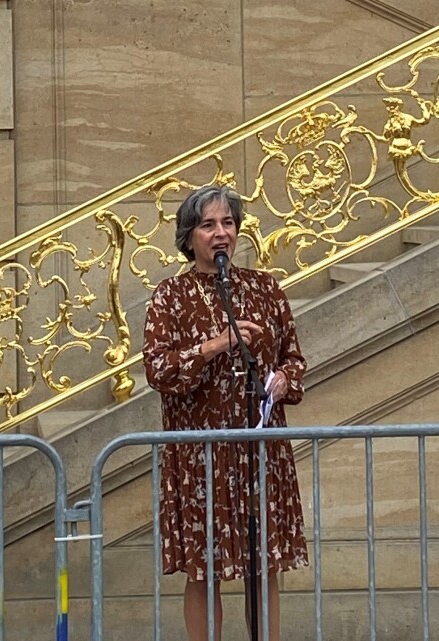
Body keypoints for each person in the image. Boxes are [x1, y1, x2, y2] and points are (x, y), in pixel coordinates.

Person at [142, 185, 308, 641]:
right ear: (189, 235)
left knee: (264, 561)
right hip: (201, 456)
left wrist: (282, 379)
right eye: (208, 225)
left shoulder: (265, 289)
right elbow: (158, 369)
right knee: (204, 567)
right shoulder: (170, 296)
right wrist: (215, 345)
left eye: (228, 223)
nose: (221, 234)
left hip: (260, 450)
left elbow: (295, 359)